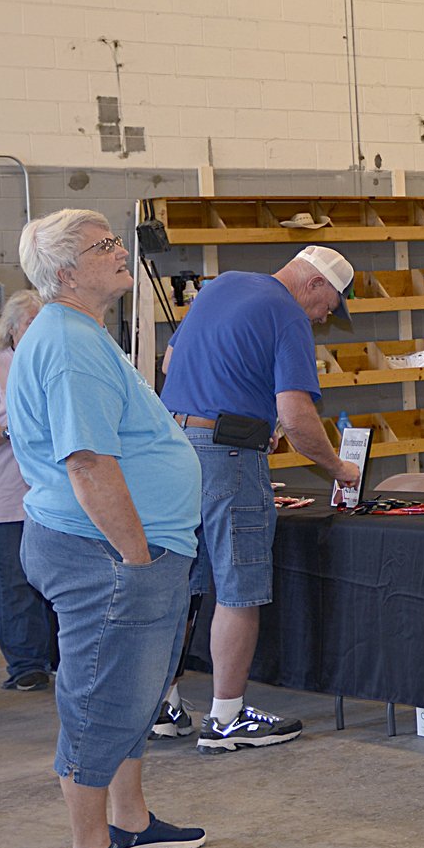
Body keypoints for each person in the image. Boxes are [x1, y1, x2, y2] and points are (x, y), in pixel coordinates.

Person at [10, 210, 206, 848]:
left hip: (120, 550)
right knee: (101, 699)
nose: (122, 251)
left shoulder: (80, 332)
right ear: (66, 272)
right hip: (107, 554)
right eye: (104, 246)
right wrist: (135, 557)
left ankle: (129, 821)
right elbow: (88, 463)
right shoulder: (69, 343)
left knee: (132, 693)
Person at [155, 245, 361, 752]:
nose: (323, 318)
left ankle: (162, 705)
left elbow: (171, 361)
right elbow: (296, 417)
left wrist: (246, 414)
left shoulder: (222, 284)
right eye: (329, 307)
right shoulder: (288, 313)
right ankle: (226, 718)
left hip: (173, 449)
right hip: (227, 457)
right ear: (315, 284)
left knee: (181, 584)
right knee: (238, 586)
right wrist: (339, 468)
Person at [0, 289, 59, 693]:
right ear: (12, 329)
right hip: (7, 497)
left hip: (56, 496)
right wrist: (11, 432)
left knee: (57, 581)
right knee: (16, 583)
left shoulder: (56, 362)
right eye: (32, 323)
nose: (39, 330)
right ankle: (25, 664)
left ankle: (59, 657)